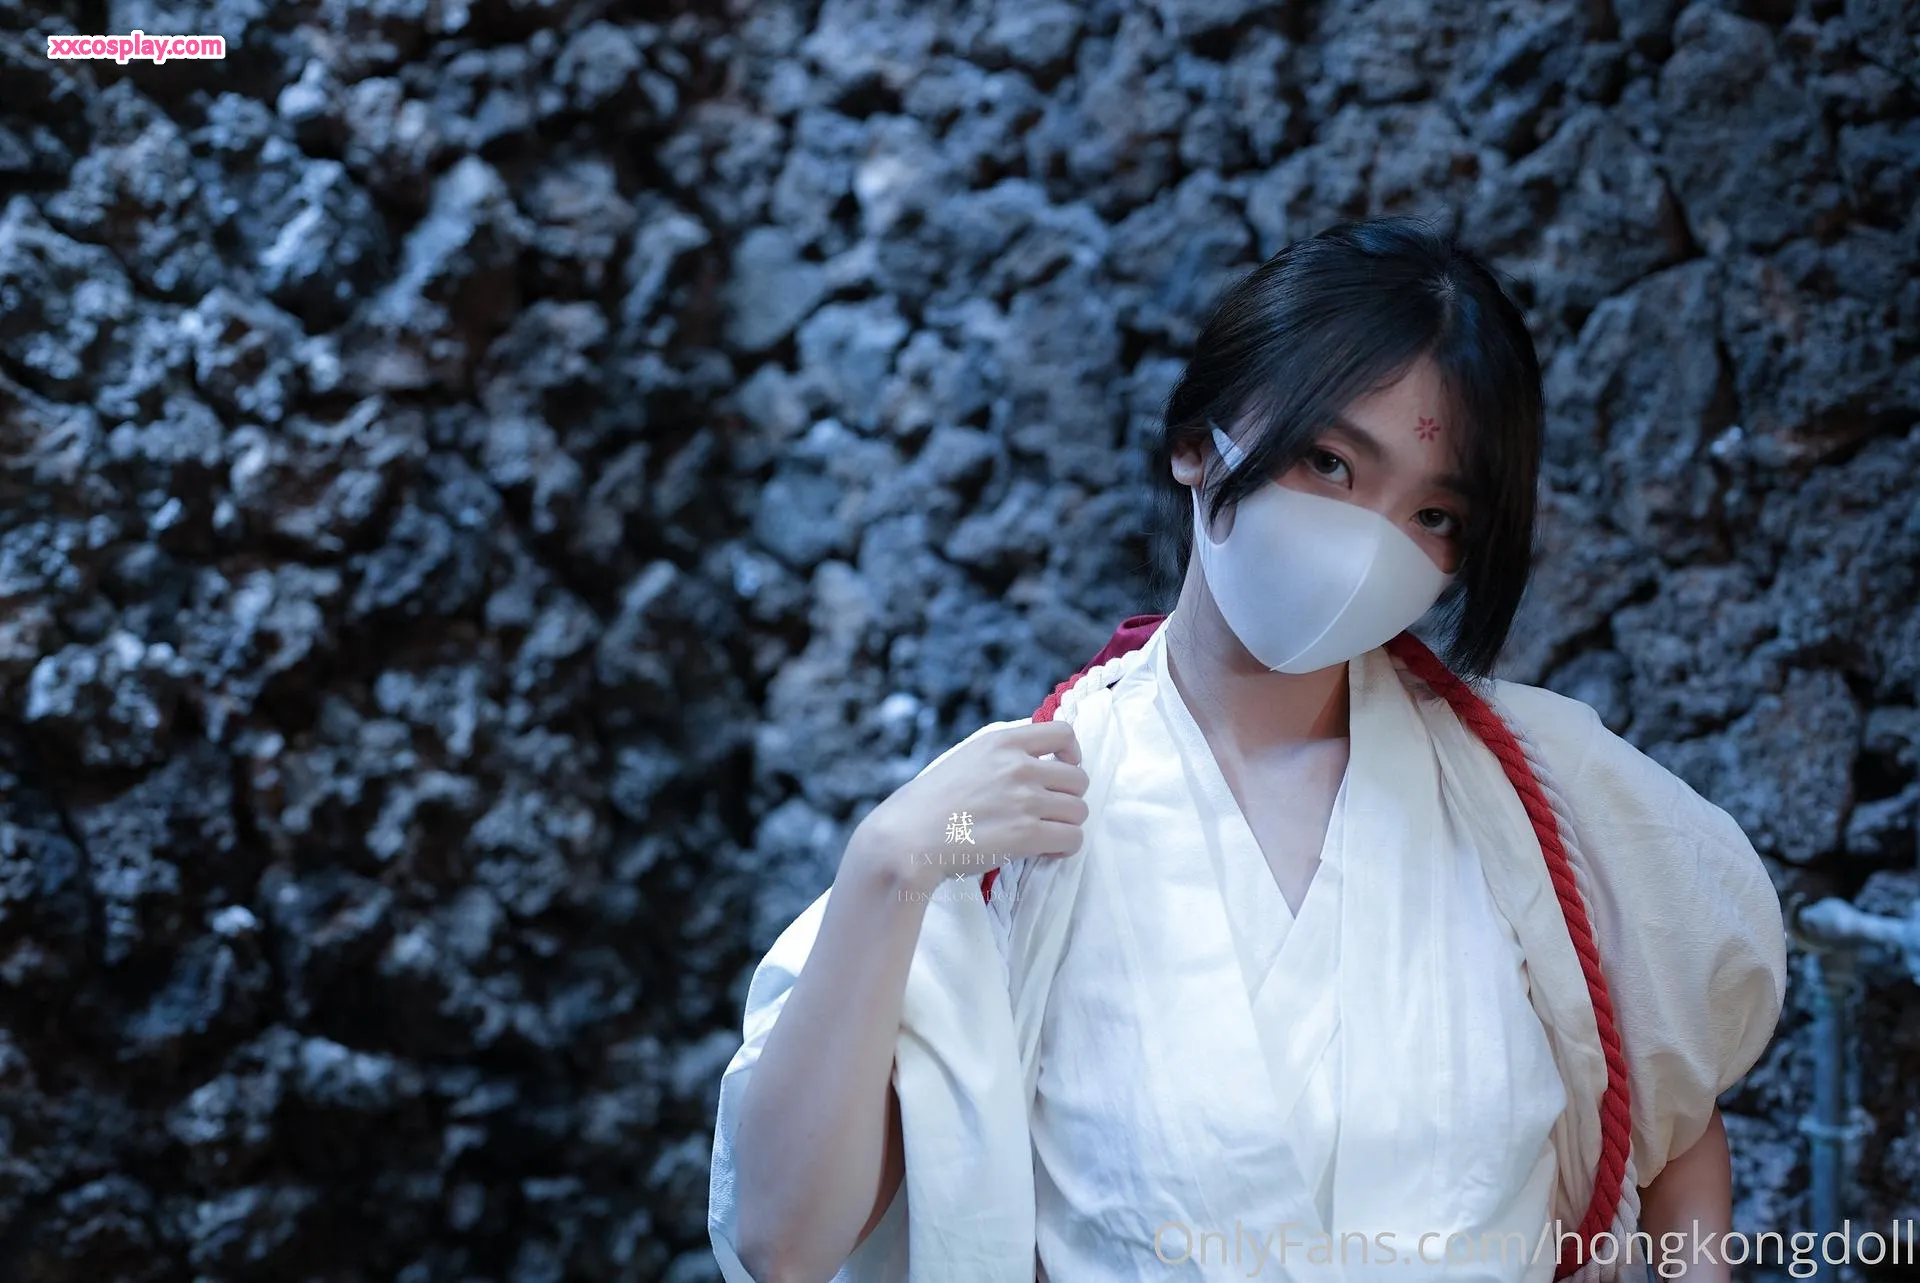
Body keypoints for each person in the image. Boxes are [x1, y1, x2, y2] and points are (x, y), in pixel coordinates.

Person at [706, 215, 1787, 1283]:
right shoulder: (1012, 809)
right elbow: (786, 1241)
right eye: (1330, 462)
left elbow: (1673, 1119)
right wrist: (890, 861)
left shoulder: (1539, 790)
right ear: (1197, 442)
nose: (1370, 544)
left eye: (1435, 516)